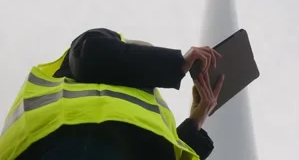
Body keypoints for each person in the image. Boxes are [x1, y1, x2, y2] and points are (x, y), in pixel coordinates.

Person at [0, 28, 224, 160]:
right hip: (74, 142)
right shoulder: (93, 49)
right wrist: (177, 64)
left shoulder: (151, 106)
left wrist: (196, 120)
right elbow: (93, 54)